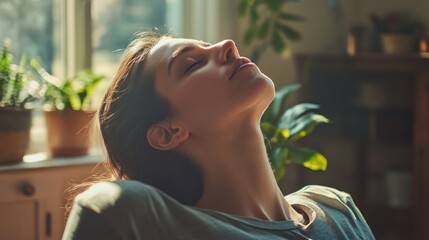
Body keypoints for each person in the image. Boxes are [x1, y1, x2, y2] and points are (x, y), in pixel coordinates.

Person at [62, 32, 375, 240]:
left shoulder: (337, 208)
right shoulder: (141, 218)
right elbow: (103, 204)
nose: (227, 45)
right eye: (193, 63)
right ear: (167, 133)